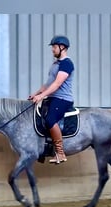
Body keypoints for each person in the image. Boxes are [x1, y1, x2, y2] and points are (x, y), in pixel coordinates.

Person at [29, 35, 75, 164]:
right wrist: (36, 93)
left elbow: (57, 84)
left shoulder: (67, 64)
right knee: (39, 120)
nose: (52, 50)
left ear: (63, 48)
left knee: (50, 120)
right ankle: (43, 149)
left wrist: (41, 96)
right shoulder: (55, 64)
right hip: (52, 98)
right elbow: (48, 84)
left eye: (54, 47)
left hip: (62, 99)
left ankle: (60, 153)